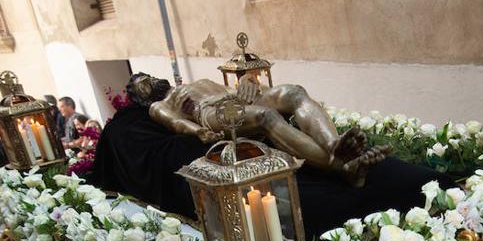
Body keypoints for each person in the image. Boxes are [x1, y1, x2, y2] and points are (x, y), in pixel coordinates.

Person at [145, 74, 388, 186]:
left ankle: (333, 143)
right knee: (266, 116)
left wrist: (246, 83)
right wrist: (198, 132)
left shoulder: (196, 81)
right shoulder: (159, 105)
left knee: (293, 92)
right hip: (214, 114)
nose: (147, 80)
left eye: (146, 76)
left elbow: (234, 85)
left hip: (237, 100)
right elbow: (177, 123)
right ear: (142, 97)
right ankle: (342, 168)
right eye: (141, 84)